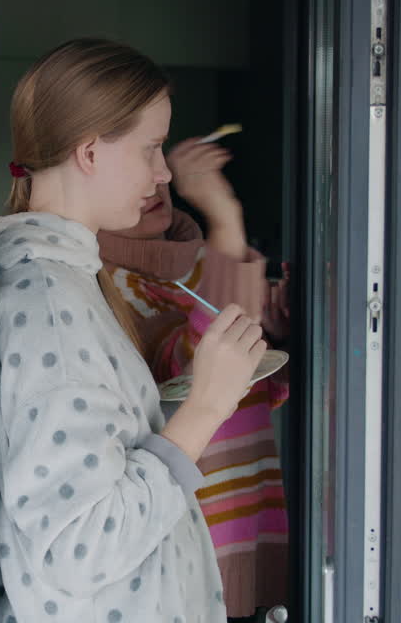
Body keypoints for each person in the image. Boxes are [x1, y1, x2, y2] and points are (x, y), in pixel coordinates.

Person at [0, 38, 267, 623]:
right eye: (151, 147)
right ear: (90, 152)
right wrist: (207, 406)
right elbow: (80, 547)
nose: (163, 170)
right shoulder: (48, 299)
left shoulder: (63, 278)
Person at [98, 139, 293, 622]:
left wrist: (287, 336)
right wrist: (225, 216)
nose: (159, 177)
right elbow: (192, 369)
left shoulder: (211, 263)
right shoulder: (103, 285)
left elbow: (256, 392)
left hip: (258, 515)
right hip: (197, 541)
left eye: (158, 153)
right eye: (138, 157)